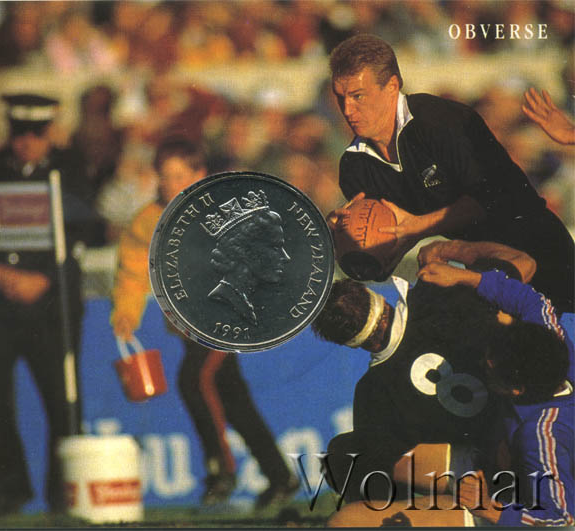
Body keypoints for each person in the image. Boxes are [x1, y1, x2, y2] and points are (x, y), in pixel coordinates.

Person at [110, 136, 298, 509]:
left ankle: (220, 470)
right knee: (233, 399)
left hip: (225, 319)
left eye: (179, 176)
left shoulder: (219, 210)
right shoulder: (150, 219)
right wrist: (126, 313)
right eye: (165, 177)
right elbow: (132, 271)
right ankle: (280, 476)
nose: (170, 184)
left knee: (194, 380)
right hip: (191, 326)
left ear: (199, 175)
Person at [327, 34, 574, 313]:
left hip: (541, 251)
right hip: (480, 270)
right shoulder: (354, 167)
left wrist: (419, 226)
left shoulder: (443, 121)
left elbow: (490, 200)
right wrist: (343, 238)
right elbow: (380, 265)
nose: (347, 110)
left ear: (392, 86)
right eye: (340, 97)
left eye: (358, 96)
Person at [311, 239, 538, 510]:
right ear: (376, 295)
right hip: (540, 433)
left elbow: (381, 481)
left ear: (349, 343)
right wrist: (454, 250)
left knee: (345, 455)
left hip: (481, 477)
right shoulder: (436, 290)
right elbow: (525, 263)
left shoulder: (371, 394)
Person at [0, 93, 97, 514]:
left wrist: (45, 278)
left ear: (50, 133)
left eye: (36, 133)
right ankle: (11, 487)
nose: (27, 142)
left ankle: (61, 493)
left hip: (52, 307)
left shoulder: (69, 169)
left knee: (62, 399)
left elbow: (84, 231)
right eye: (19, 133)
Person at [419, 254, 574, 526]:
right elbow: (531, 301)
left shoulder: (541, 435)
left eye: (489, 370)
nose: (482, 365)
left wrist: (489, 508)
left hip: (519, 495)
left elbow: (562, 517)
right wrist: (464, 277)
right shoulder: (551, 338)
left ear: (516, 389)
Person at [204, 191, 291, 326]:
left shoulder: (243, 299)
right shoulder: (222, 299)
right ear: (245, 251)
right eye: (275, 247)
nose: (286, 257)